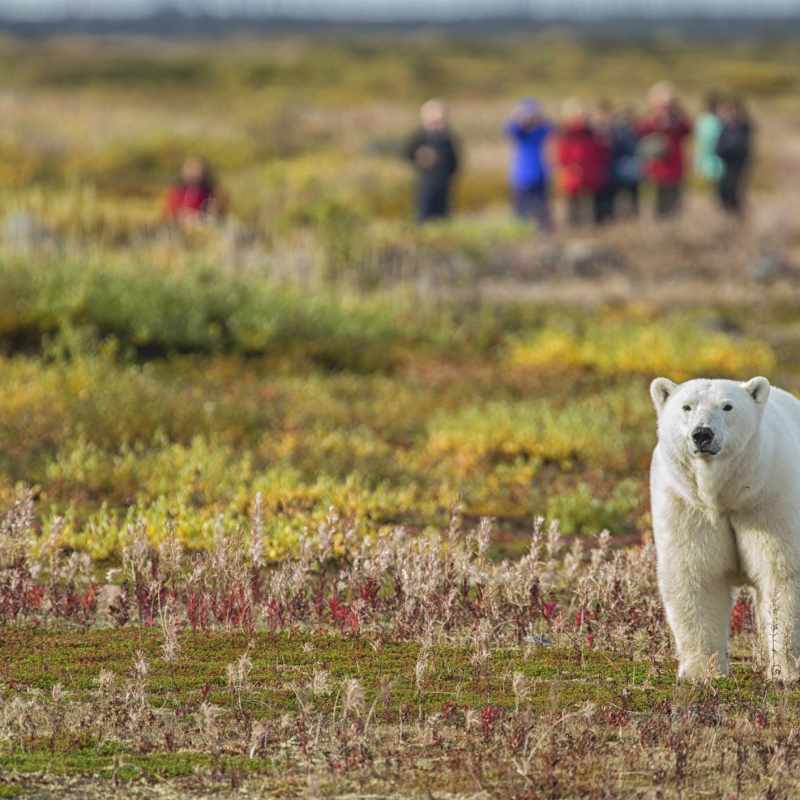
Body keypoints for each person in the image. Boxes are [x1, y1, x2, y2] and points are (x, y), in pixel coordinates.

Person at [638, 82, 692, 219]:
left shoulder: (678, 119)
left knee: (674, 199)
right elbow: (641, 132)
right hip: (657, 167)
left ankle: (673, 226)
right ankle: (661, 225)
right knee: (659, 200)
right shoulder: (649, 119)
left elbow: (688, 130)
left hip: (675, 166)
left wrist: (675, 118)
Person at [405, 99, 460, 223]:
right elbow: (408, 154)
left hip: (444, 183)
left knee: (443, 215)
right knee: (424, 213)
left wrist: (450, 176)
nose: (437, 124)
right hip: (425, 183)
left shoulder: (448, 138)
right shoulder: (420, 136)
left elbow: (455, 161)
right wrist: (419, 158)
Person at [505, 98, 553, 232]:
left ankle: (544, 233)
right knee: (520, 212)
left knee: (542, 211)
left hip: (540, 176)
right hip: (521, 177)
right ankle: (519, 232)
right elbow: (509, 128)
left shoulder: (540, 131)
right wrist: (517, 116)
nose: (529, 118)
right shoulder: (520, 133)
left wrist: (539, 118)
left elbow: (551, 127)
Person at [556, 99, 607, 226]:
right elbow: (562, 156)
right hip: (573, 176)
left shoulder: (591, 133)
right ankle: (574, 228)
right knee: (573, 206)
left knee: (593, 207)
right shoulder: (565, 134)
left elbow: (599, 153)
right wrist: (571, 166)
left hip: (590, 175)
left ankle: (594, 229)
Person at [715, 97, 754, 217]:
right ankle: (727, 214)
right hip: (725, 162)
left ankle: (738, 214)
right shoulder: (724, 126)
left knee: (734, 190)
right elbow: (719, 144)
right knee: (723, 190)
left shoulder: (744, 126)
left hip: (738, 164)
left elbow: (743, 146)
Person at [607, 107, 642, 219]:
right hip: (617, 171)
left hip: (632, 171)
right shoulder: (614, 133)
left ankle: (632, 218)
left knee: (632, 198)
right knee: (618, 199)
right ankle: (619, 219)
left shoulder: (636, 132)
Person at [694, 92, 724, 186]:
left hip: (718, 155)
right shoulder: (703, 119)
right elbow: (700, 141)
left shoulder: (719, 120)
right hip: (706, 155)